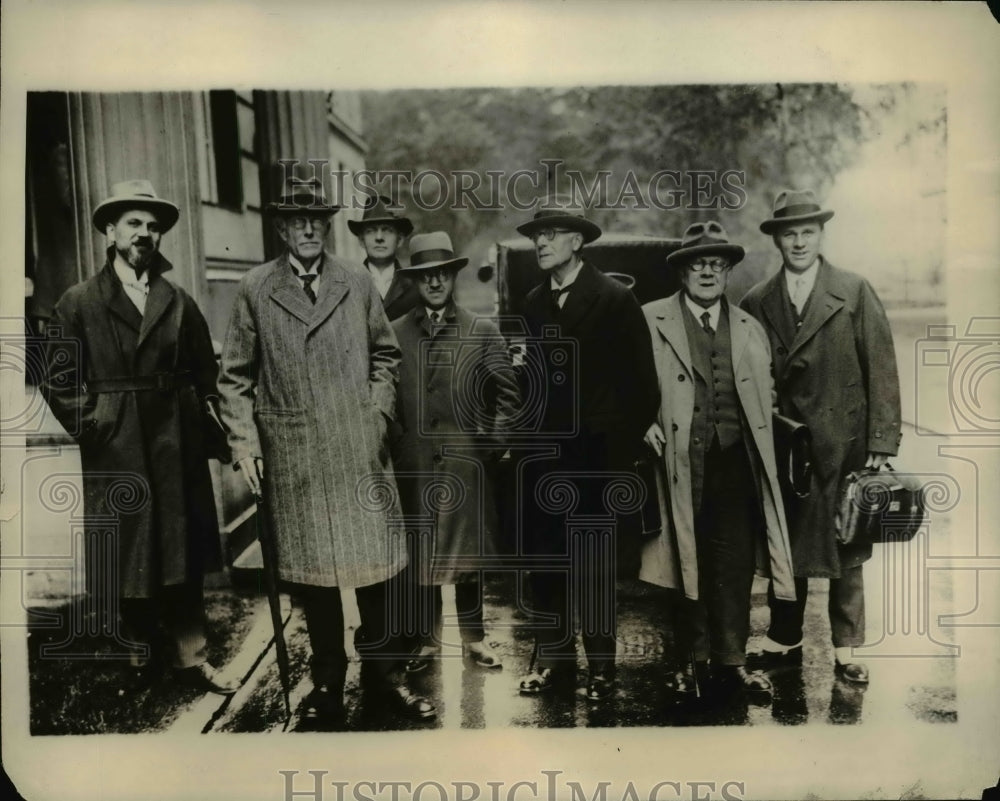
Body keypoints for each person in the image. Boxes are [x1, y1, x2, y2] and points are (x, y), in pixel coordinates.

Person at [218, 175, 435, 723]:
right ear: (283, 230)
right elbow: (235, 378)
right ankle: (326, 687)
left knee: (376, 572)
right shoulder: (255, 288)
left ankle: (386, 679)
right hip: (295, 455)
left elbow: (385, 356)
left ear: (328, 226)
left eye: (317, 220)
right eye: (298, 221)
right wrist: (245, 445)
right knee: (316, 582)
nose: (309, 229)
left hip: (359, 449)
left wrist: (375, 415)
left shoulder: (355, 281)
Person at [41, 179, 236, 694]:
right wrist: (95, 424)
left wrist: (210, 430)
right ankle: (138, 657)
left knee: (181, 553)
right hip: (117, 443)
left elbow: (205, 374)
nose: (144, 233)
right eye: (133, 223)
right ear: (110, 231)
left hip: (175, 442)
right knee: (129, 554)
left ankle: (192, 658)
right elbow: (58, 378)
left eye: (152, 226)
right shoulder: (78, 301)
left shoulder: (177, 299)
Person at [741, 189, 902, 685]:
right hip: (785, 445)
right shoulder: (757, 300)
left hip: (842, 442)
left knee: (846, 544)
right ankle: (784, 636)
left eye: (807, 232)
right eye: (789, 234)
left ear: (821, 235)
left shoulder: (853, 290)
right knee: (785, 543)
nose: (799, 242)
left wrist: (880, 440)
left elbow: (881, 366)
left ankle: (847, 647)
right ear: (777, 240)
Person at [639, 221, 796, 702]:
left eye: (716, 264)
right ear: (682, 272)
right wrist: (642, 422)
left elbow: (768, 394)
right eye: (697, 264)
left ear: (727, 272)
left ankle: (733, 663)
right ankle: (689, 663)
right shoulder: (650, 319)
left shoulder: (748, 327)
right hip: (678, 462)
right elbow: (627, 383)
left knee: (734, 564)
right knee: (683, 563)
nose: (707, 272)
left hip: (736, 464)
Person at [515, 198, 660, 701]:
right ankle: (554, 664)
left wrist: (612, 449)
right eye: (537, 235)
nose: (541, 243)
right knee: (547, 565)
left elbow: (643, 389)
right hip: (545, 460)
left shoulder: (615, 298)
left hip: (596, 461)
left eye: (551, 234)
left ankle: (601, 670)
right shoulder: (533, 301)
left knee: (594, 568)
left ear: (577, 242)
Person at [389, 231, 520, 674]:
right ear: (414, 280)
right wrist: (398, 444)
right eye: (426, 275)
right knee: (421, 551)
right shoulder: (394, 333)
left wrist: (491, 447)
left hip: (465, 464)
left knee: (468, 557)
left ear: (453, 277)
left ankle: (474, 638)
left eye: (442, 274)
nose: (434, 282)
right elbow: (383, 393)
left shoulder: (480, 330)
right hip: (414, 464)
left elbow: (509, 395)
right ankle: (427, 641)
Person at [348, 193, 420, 321]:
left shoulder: (415, 287)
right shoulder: (348, 286)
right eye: (371, 231)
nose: (379, 238)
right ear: (361, 240)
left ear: (399, 240)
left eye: (387, 230)